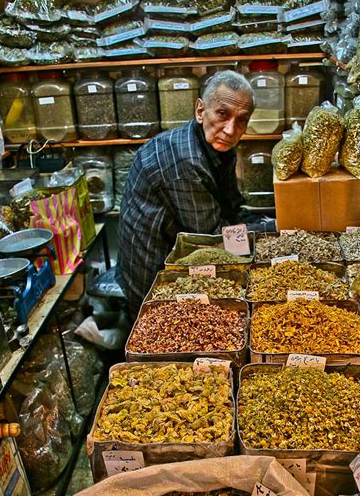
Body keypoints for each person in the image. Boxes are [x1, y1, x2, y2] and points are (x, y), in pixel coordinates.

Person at [117, 69, 274, 319]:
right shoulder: (184, 160)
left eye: (241, 120)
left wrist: (264, 226)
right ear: (200, 111)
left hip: (183, 252)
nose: (231, 129)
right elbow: (210, 238)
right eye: (222, 114)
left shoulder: (219, 147)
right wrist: (271, 231)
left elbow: (232, 208)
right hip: (154, 275)